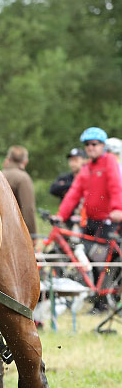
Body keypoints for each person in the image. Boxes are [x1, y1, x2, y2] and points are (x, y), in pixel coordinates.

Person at [56, 127, 122, 311]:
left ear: (103, 145)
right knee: (90, 261)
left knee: (101, 261)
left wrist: (117, 208)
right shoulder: (87, 168)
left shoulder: (109, 162)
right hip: (91, 221)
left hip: (108, 220)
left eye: (95, 144)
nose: (91, 147)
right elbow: (73, 193)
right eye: (87, 144)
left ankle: (107, 299)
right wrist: (61, 215)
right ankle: (99, 300)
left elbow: (115, 186)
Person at [1, 145, 37, 238]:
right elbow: (28, 208)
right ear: (25, 161)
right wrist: (32, 234)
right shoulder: (23, 178)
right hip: (13, 232)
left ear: (9, 158)